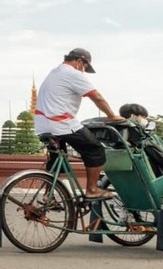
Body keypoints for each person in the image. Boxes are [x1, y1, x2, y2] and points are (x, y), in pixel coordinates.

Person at [34, 48, 122, 200]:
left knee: (57, 159)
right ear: (80, 62)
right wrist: (112, 115)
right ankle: (92, 190)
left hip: (43, 124)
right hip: (61, 123)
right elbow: (97, 97)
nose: (83, 71)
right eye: (85, 68)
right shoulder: (72, 73)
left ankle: (48, 196)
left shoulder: (54, 72)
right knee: (95, 150)